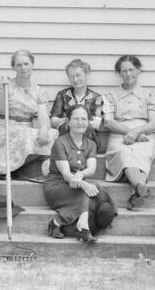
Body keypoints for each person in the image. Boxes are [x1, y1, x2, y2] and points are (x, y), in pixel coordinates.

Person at [44, 104, 117, 243]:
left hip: (77, 182)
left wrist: (81, 176)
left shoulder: (90, 144)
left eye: (84, 119)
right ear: (68, 121)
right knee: (84, 192)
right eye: (76, 119)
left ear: (88, 122)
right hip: (57, 185)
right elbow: (66, 175)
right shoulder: (60, 143)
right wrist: (82, 184)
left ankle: (58, 222)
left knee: (100, 194)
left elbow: (91, 168)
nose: (80, 122)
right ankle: (82, 226)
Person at [101, 54, 155, 210]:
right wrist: (132, 133)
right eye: (123, 71)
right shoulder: (109, 96)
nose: (128, 74)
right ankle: (140, 186)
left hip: (144, 135)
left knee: (143, 154)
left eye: (131, 70)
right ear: (119, 74)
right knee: (124, 153)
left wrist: (138, 132)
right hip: (119, 134)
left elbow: (154, 123)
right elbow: (109, 122)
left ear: (138, 70)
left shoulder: (148, 95)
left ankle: (138, 191)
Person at [0, 49, 53, 180]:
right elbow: (1, 108)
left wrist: (45, 129)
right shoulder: (6, 85)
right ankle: (0, 168)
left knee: (52, 135)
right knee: (25, 134)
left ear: (32, 65)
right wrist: (2, 89)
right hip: (3, 128)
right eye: (19, 65)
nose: (23, 68)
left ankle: (19, 166)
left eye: (26, 64)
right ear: (13, 67)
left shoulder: (38, 91)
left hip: (26, 130)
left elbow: (43, 117)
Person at [49, 59, 107, 143]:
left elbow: (97, 123)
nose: (75, 79)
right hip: (66, 140)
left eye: (78, 75)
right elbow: (54, 120)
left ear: (86, 74)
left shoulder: (96, 98)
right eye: (71, 76)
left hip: (88, 141)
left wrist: (77, 122)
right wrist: (67, 121)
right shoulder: (63, 95)